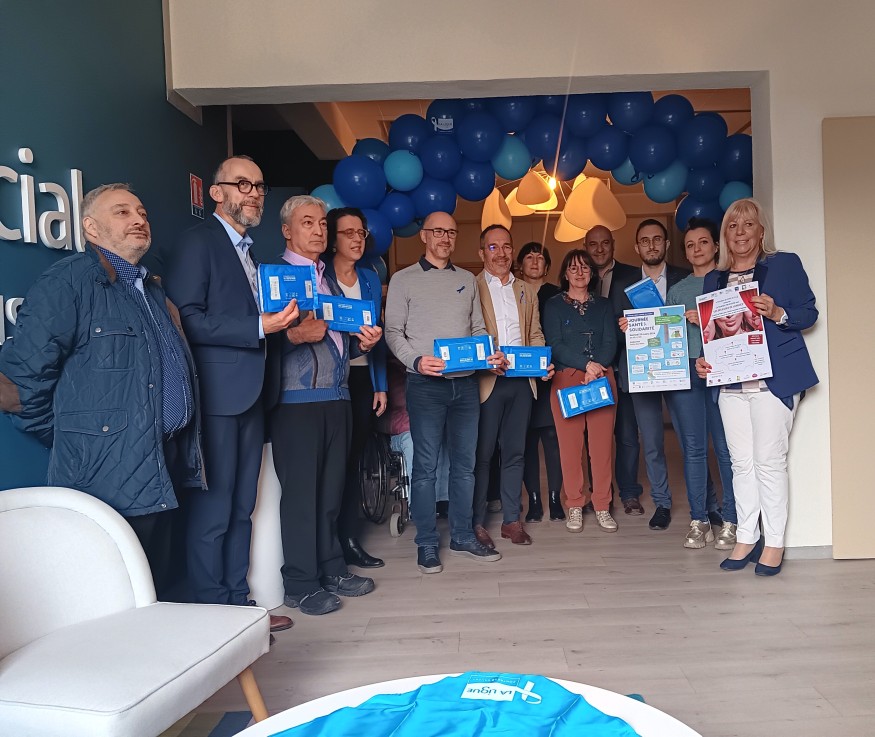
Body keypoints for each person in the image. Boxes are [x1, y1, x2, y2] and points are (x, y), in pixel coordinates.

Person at [0, 183, 204, 602]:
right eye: (122, 212)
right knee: (115, 597)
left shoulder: (151, 288)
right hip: (104, 471)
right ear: (91, 228)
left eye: (142, 212)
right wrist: (81, 437)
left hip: (162, 459)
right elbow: (19, 382)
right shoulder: (68, 281)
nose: (139, 219)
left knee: (155, 589)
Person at [164, 156, 297, 632]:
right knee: (214, 510)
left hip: (252, 396)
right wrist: (259, 326)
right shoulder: (198, 242)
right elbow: (187, 320)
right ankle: (212, 615)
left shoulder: (251, 254)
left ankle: (238, 606)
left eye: (259, 186)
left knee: (242, 508)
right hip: (217, 399)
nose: (254, 193)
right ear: (216, 193)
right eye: (243, 184)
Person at [267, 195, 383, 614]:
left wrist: (363, 343)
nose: (317, 230)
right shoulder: (273, 276)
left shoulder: (328, 279)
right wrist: (293, 336)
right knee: (301, 496)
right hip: (296, 402)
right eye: (307, 223)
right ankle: (300, 584)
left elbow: (337, 341)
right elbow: (258, 339)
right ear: (287, 231)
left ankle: (332, 568)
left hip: (338, 396)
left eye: (321, 223)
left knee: (331, 491)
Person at [697, 198, 818, 575]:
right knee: (740, 464)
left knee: (769, 461)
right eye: (732, 226)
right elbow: (713, 334)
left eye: (748, 224)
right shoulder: (714, 279)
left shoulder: (785, 264)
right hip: (730, 384)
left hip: (774, 379)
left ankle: (774, 542)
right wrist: (703, 361)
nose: (740, 233)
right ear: (725, 235)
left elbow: (809, 312)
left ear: (761, 231)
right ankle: (747, 537)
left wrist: (779, 313)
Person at [384, 211, 504, 574]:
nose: (445, 238)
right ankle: (426, 543)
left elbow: (478, 328)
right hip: (425, 386)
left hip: (465, 384)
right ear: (424, 236)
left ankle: (463, 535)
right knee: (426, 467)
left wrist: (489, 353)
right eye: (437, 231)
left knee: (465, 466)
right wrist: (416, 361)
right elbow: (393, 333)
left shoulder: (467, 279)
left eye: (451, 232)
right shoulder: (403, 280)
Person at [472, 226, 553, 548]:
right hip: (487, 381)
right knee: (482, 455)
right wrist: (484, 360)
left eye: (506, 246)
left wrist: (542, 363)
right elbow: (466, 333)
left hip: (522, 382)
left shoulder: (526, 290)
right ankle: (476, 522)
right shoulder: (471, 287)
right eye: (493, 247)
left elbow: (534, 334)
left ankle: (511, 521)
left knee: (515, 453)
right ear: (482, 253)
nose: (501, 253)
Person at [663, 218, 737, 550]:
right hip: (688, 374)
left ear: (716, 246)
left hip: (725, 373)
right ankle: (699, 520)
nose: (697, 249)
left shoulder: (729, 283)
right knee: (693, 450)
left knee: (725, 449)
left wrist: (707, 319)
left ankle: (732, 519)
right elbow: (667, 339)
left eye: (703, 242)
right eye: (690, 245)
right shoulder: (677, 292)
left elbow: (742, 328)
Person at [323, 207, 388, 569]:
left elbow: (376, 334)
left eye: (361, 233)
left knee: (353, 461)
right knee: (332, 463)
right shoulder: (320, 276)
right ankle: (328, 540)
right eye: (348, 233)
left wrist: (380, 385)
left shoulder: (369, 278)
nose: (356, 239)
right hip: (329, 379)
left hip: (362, 379)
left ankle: (348, 539)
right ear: (333, 239)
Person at [616, 219, 689, 531]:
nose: (651, 245)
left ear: (666, 244)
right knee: (652, 443)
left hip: (679, 371)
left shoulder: (685, 279)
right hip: (643, 373)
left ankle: (705, 504)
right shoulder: (624, 285)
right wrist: (624, 329)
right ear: (637, 247)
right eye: (645, 241)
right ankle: (662, 502)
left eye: (657, 239)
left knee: (690, 441)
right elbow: (613, 331)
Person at [542, 250, 618, 534]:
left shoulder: (604, 305)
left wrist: (596, 369)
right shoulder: (553, 305)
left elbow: (610, 341)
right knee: (570, 448)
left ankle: (602, 505)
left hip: (602, 378)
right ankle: (574, 503)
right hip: (567, 380)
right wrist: (585, 365)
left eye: (585, 268)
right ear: (565, 273)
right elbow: (554, 344)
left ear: (592, 273)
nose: (579, 273)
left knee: (601, 448)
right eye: (573, 268)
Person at [583, 225, 646, 516]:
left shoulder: (634, 276)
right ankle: (599, 493)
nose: (599, 249)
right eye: (593, 244)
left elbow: (647, 317)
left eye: (604, 243)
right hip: (590, 372)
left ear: (613, 245)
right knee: (593, 438)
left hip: (625, 367)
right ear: (585, 246)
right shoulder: (579, 277)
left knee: (627, 434)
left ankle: (630, 492)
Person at [516, 242, 564, 522]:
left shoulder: (558, 295)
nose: (535, 262)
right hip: (520, 376)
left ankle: (555, 499)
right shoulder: (512, 293)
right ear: (520, 264)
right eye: (529, 257)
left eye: (540, 258)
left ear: (547, 266)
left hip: (551, 375)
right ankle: (534, 500)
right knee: (526, 440)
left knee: (552, 437)